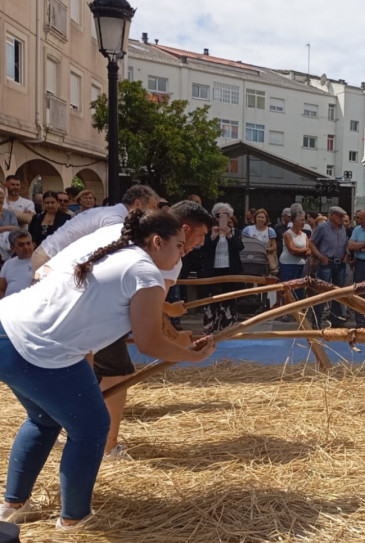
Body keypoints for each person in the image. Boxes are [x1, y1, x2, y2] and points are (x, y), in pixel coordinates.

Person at [0, 210, 216, 530]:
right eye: (180, 246)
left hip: (7, 329)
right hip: (39, 349)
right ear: (157, 241)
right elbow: (149, 342)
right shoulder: (145, 271)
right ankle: (74, 519)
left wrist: (176, 336)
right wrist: (193, 356)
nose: (183, 253)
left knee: (43, 419)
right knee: (92, 428)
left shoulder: (116, 249)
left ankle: (12, 505)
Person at [39, 201, 214, 459]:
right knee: (115, 375)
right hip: (76, 305)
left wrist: (167, 310)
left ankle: (69, 433)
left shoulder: (134, 231)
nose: (199, 244)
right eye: (200, 236)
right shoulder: (165, 254)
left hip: (50, 293)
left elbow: (146, 300)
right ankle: (106, 446)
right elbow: (148, 328)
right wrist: (183, 346)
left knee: (83, 369)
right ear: (183, 230)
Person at [32, 184, 159, 270]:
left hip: (50, 257)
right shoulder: (115, 219)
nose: (155, 212)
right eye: (153, 207)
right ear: (137, 203)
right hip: (48, 259)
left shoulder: (113, 214)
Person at [199, 203, 244, 334]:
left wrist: (229, 234)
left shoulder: (236, 232)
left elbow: (239, 248)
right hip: (212, 270)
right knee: (211, 299)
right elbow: (203, 248)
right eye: (219, 215)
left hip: (230, 270)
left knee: (229, 299)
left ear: (230, 217)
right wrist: (213, 236)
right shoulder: (208, 230)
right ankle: (210, 328)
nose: (222, 218)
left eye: (225, 215)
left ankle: (228, 329)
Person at [308, 206, 349, 328]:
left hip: (340, 263)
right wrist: (320, 257)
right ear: (332, 216)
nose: (342, 219)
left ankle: (335, 319)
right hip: (327, 262)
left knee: (337, 293)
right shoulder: (322, 227)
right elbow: (311, 243)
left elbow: (344, 243)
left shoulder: (342, 228)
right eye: (340, 216)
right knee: (322, 292)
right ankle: (317, 321)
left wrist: (346, 254)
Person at [279, 209, 309, 303]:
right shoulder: (288, 234)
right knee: (288, 288)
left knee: (300, 288)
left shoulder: (304, 235)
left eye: (304, 220)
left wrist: (300, 251)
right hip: (288, 264)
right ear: (295, 222)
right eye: (301, 220)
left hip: (301, 264)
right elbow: (292, 250)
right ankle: (286, 311)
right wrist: (303, 250)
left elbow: (309, 251)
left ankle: (297, 311)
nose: (304, 222)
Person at [0, 231, 33, 298]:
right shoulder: (8, 264)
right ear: (13, 248)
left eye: (28, 243)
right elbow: (1, 289)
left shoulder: (41, 260)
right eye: (21, 245)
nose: (26, 247)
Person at [0, 193, 20, 262]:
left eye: (1, 197)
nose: (0, 200)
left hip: (8, 241)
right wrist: (8, 227)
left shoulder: (10, 213)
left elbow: (16, 228)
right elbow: (12, 227)